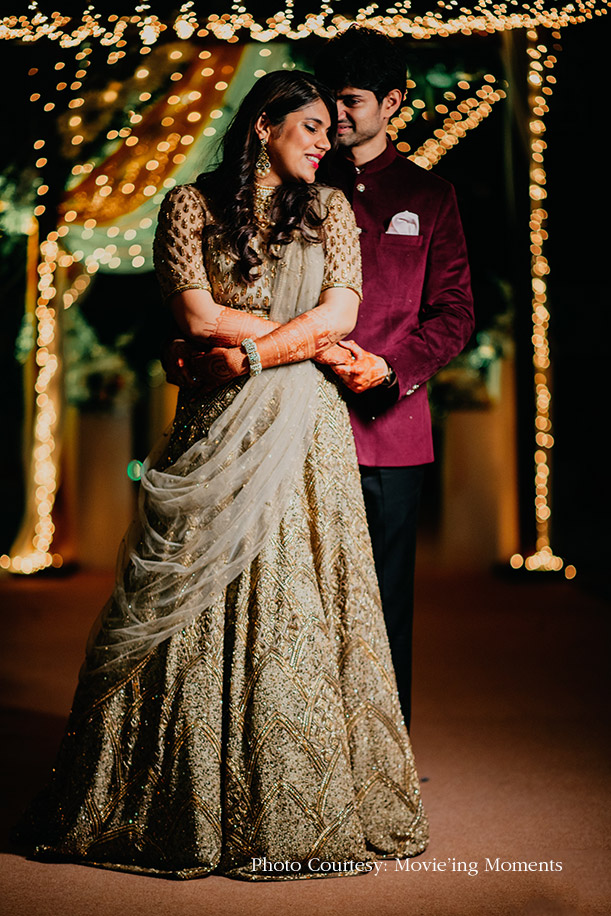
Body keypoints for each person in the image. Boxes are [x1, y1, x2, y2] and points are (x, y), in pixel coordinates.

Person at [13, 71, 428, 881]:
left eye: (327, 128)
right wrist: (277, 339)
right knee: (191, 591)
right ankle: (181, 801)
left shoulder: (333, 209)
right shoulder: (189, 206)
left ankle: (300, 803)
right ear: (264, 125)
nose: (323, 140)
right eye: (308, 126)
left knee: (303, 600)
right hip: (217, 428)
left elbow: (342, 315)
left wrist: (246, 354)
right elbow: (195, 314)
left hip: (305, 431)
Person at [314, 27, 475, 730]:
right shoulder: (297, 186)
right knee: (303, 598)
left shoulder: (430, 195)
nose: (336, 114)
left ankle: (384, 764)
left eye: (350, 101)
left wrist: (392, 369)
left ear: (392, 102)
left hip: (391, 432)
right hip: (302, 422)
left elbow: (454, 312)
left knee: (383, 606)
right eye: (329, 100)